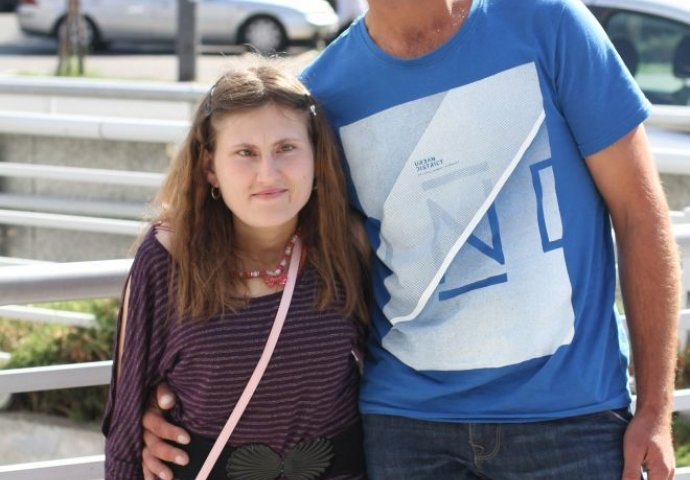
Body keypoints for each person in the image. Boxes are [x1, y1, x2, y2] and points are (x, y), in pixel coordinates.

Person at [141, 0, 680, 478]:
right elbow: (280, 257)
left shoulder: (549, 24)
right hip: (406, 428)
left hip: (570, 420)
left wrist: (656, 409)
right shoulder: (324, 94)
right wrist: (170, 403)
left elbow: (639, 215)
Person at [102, 57, 370, 480]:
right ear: (210, 167)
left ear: (317, 156)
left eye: (286, 148)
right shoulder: (167, 258)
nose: (268, 174)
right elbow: (125, 426)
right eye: (246, 153)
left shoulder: (345, 244)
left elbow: (390, 374)